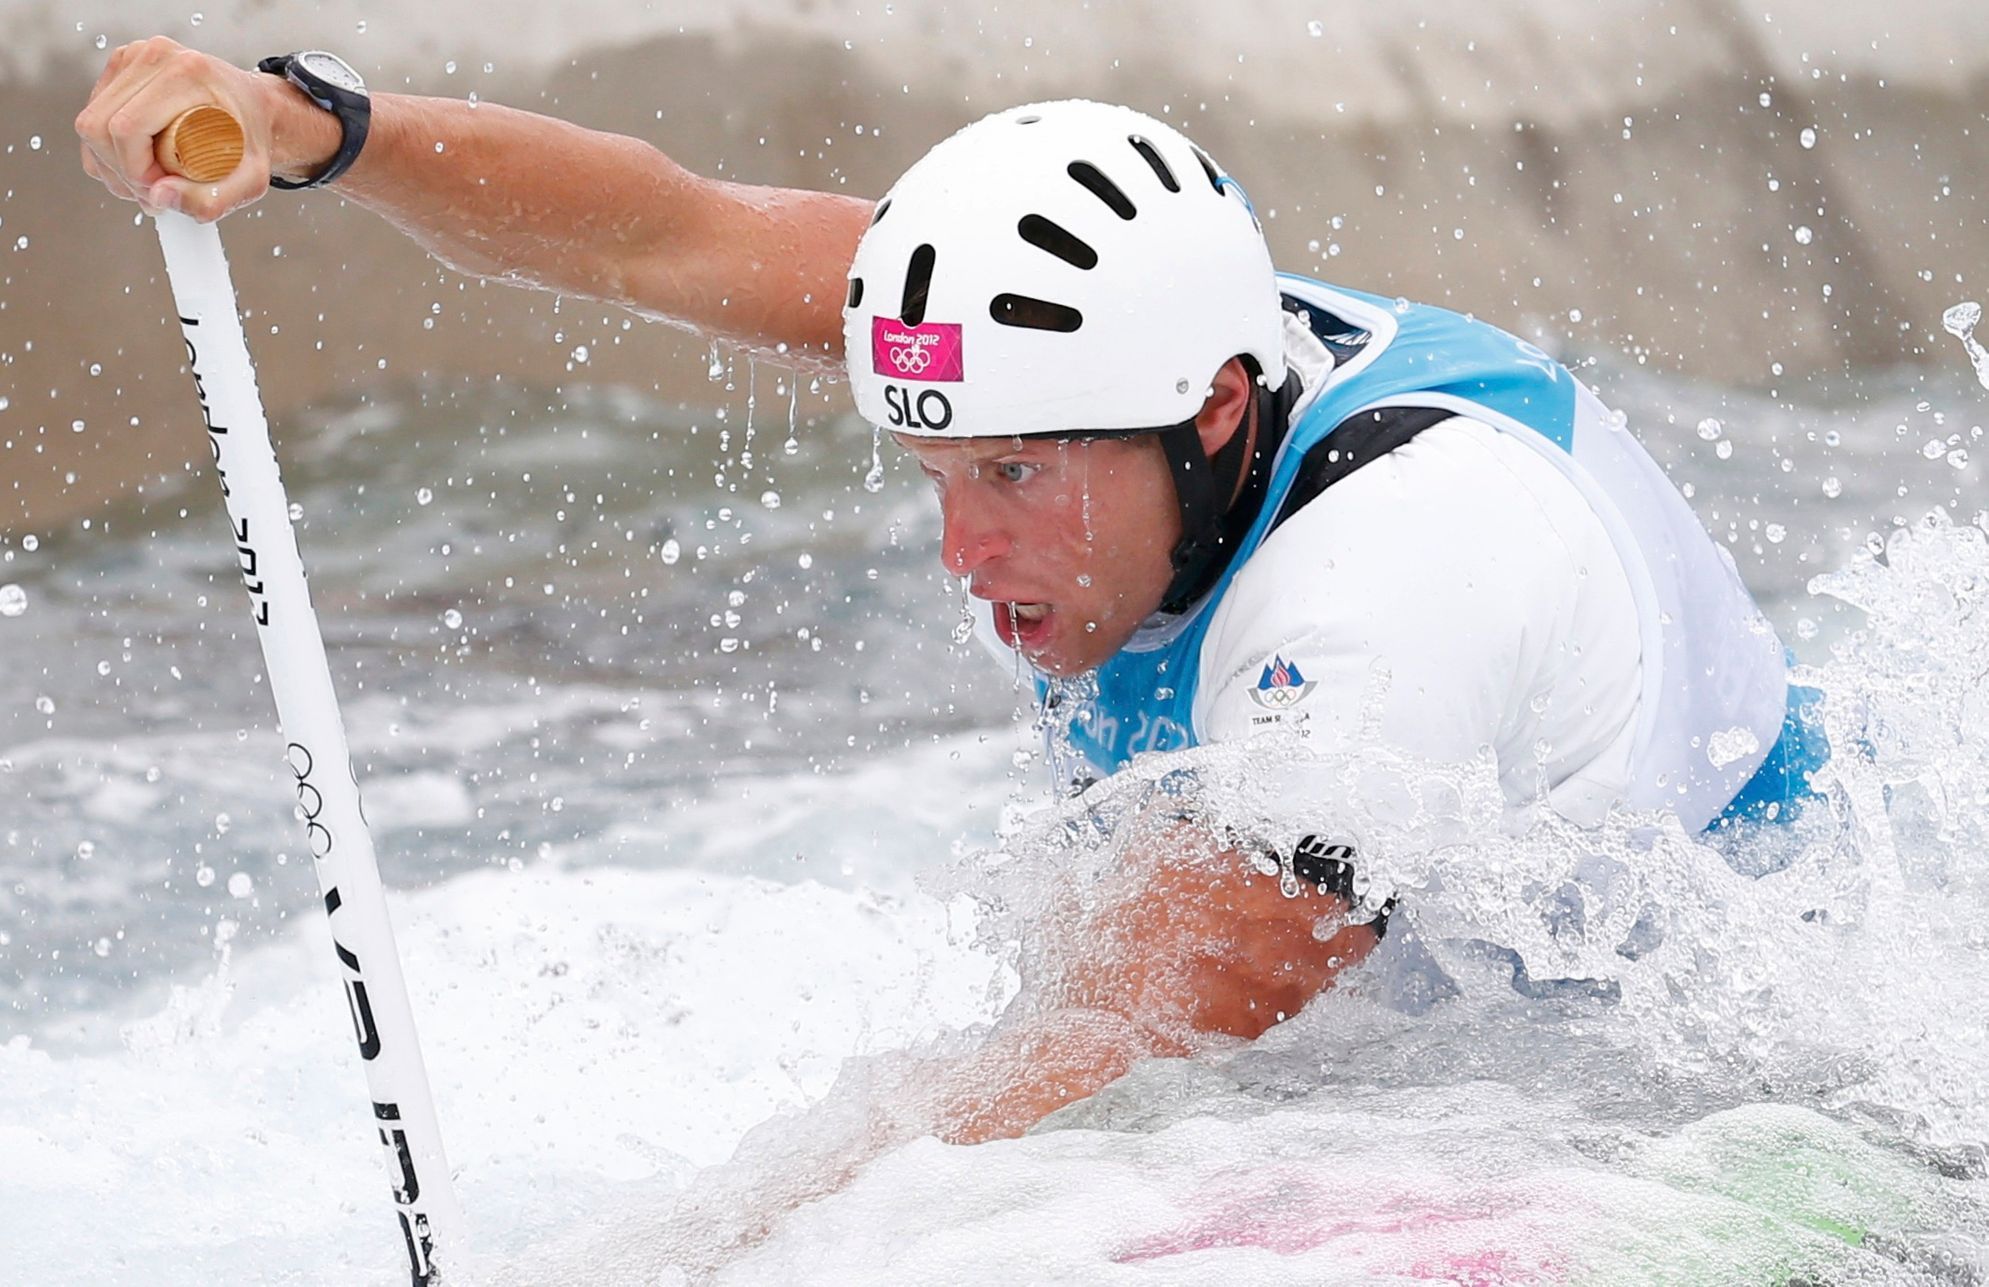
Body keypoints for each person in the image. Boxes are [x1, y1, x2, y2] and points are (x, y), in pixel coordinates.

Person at [76, 40, 1822, 1141]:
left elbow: (1150, 1025)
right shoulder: (1075, 338)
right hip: (1410, 1006)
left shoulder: (1389, 588)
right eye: (935, 476)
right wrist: (316, 128)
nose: (961, 553)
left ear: (1214, 414)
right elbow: (659, 232)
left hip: (1710, 1074)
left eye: (1009, 481)